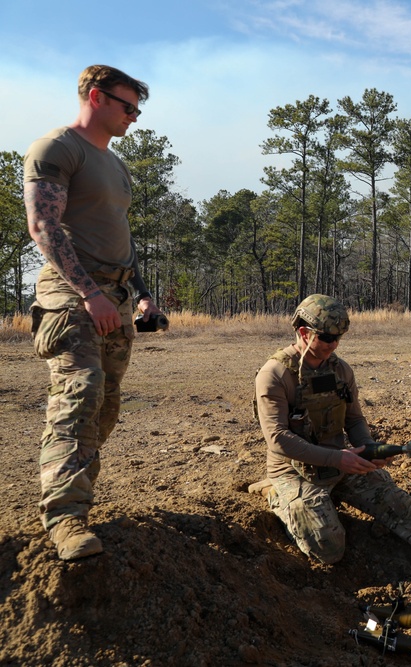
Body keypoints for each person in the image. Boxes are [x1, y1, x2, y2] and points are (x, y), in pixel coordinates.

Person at [254, 295, 411, 585]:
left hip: (341, 464)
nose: (334, 345)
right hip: (294, 473)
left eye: (339, 338)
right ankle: (274, 492)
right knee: (329, 549)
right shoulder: (275, 375)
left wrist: (369, 449)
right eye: (327, 338)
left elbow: (353, 420)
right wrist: (339, 458)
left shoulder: (340, 371)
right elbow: (277, 438)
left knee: (401, 505)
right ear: (303, 332)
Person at [23, 65, 164, 561]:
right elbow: (44, 226)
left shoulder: (115, 162)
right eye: (129, 106)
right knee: (80, 393)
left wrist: (142, 293)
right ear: (97, 97)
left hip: (116, 296)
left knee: (105, 406)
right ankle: (66, 519)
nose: (135, 117)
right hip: (72, 294)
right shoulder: (57, 148)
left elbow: (119, 237)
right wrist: (89, 294)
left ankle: (64, 485)